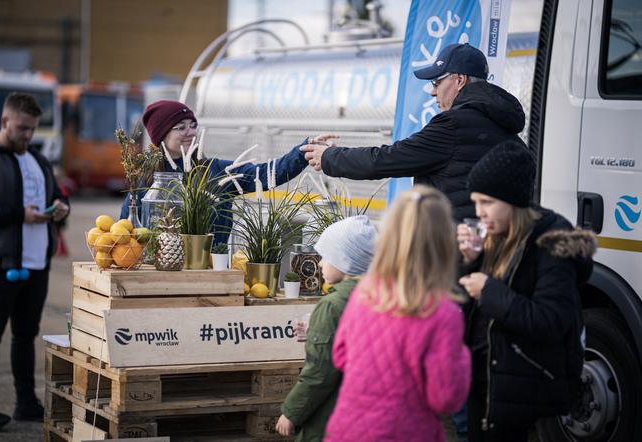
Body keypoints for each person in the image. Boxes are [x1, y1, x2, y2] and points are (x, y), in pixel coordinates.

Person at [457, 141, 596, 441]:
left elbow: (550, 321)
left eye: (487, 202)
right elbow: (466, 309)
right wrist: (470, 261)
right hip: (487, 381)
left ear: (513, 200)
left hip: (522, 389)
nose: (478, 212)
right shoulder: (496, 235)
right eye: (476, 202)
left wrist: (489, 291)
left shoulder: (550, 244)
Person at [300, 43, 525, 221]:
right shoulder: (507, 129)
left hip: (451, 250)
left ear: (459, 80)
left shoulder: (453, 126)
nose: (432, 92)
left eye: (437, 82)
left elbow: (385, 159)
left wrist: (328, 157)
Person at [324, 185, 471, 442]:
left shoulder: (364, 293)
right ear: (445, 243)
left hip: (346, 430)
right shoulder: (444, 313)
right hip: (407, 432)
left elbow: (340, 357)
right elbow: (444, 397)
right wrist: (464, 356)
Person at [0, 92, 70, 429]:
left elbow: (57, 195)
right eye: (21, 129)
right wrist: (20, 215)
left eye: (32, 129)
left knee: (26, 334)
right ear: (4, 122)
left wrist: (61, 208)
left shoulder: (39, 160)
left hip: (36, 264)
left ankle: (26, 403)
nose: (28, 136)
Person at [120, 100, 308, 242]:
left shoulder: (217, 172)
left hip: (212, 273)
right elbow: (125, 230)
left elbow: (267, 174)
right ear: (161, 135)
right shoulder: (145, 183)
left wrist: (305, 151)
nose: (190, 132)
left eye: (193, 125)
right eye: (181, 127)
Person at [275, 215, 377, 441]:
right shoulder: (382, 297)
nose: (319, 263)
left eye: (326, 256)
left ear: (343, 260)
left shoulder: (332, 306)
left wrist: (291, 412)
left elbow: (320, 371)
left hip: (330, 419)